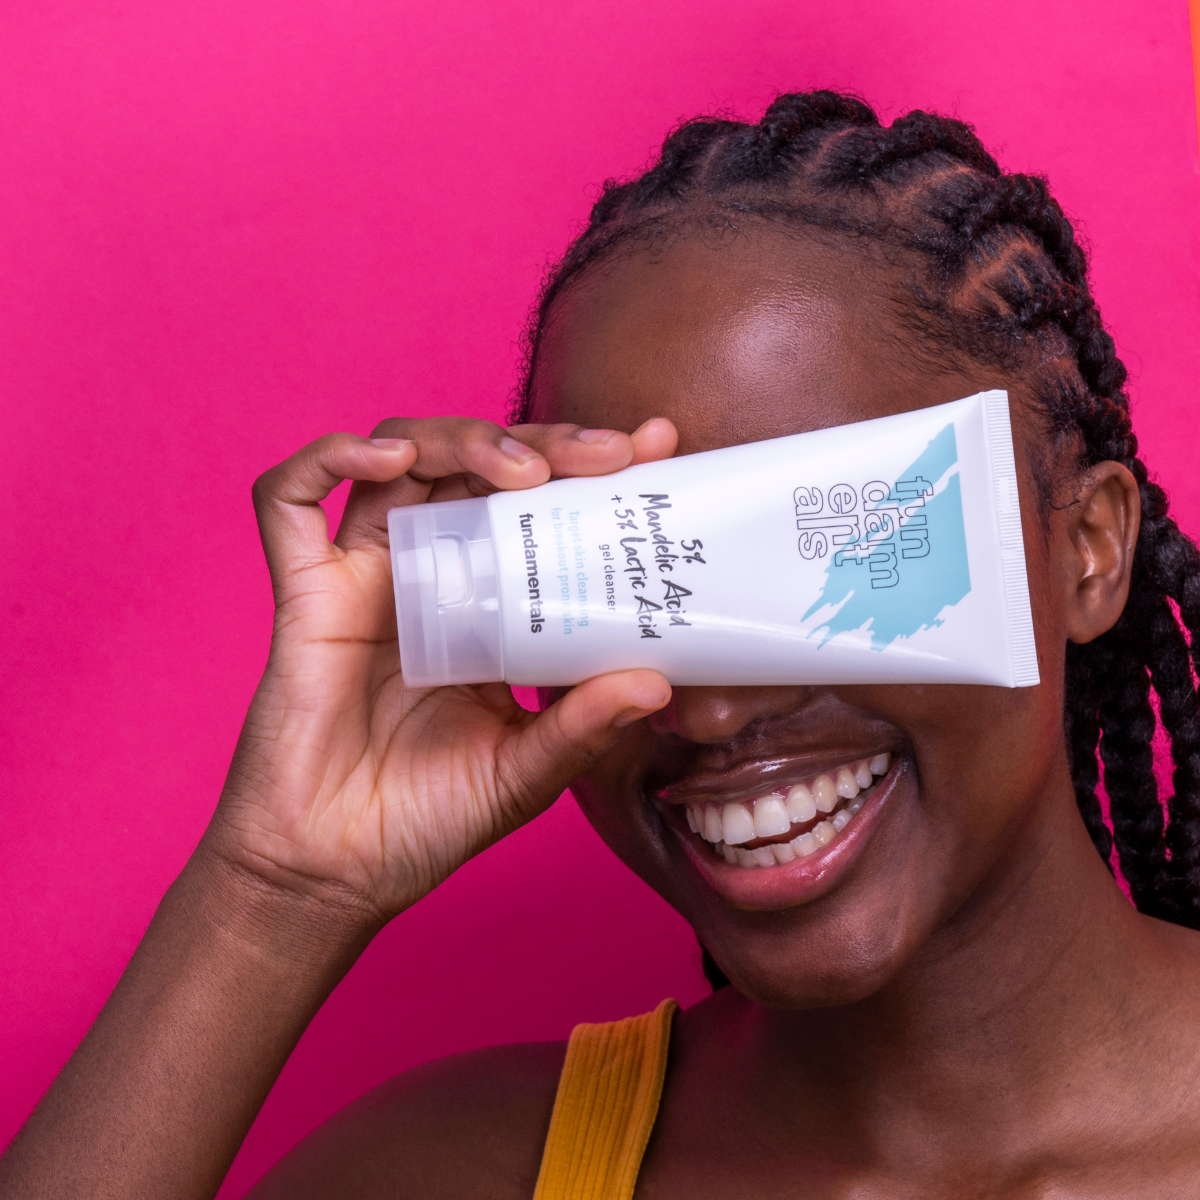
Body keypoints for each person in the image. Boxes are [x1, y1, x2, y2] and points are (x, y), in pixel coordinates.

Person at [5, 89, 1200, 1200]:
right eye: (638, 578)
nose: (709, 708)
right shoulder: (453, 1176)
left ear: (1088, 550)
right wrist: (274, 891)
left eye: (806, 558)